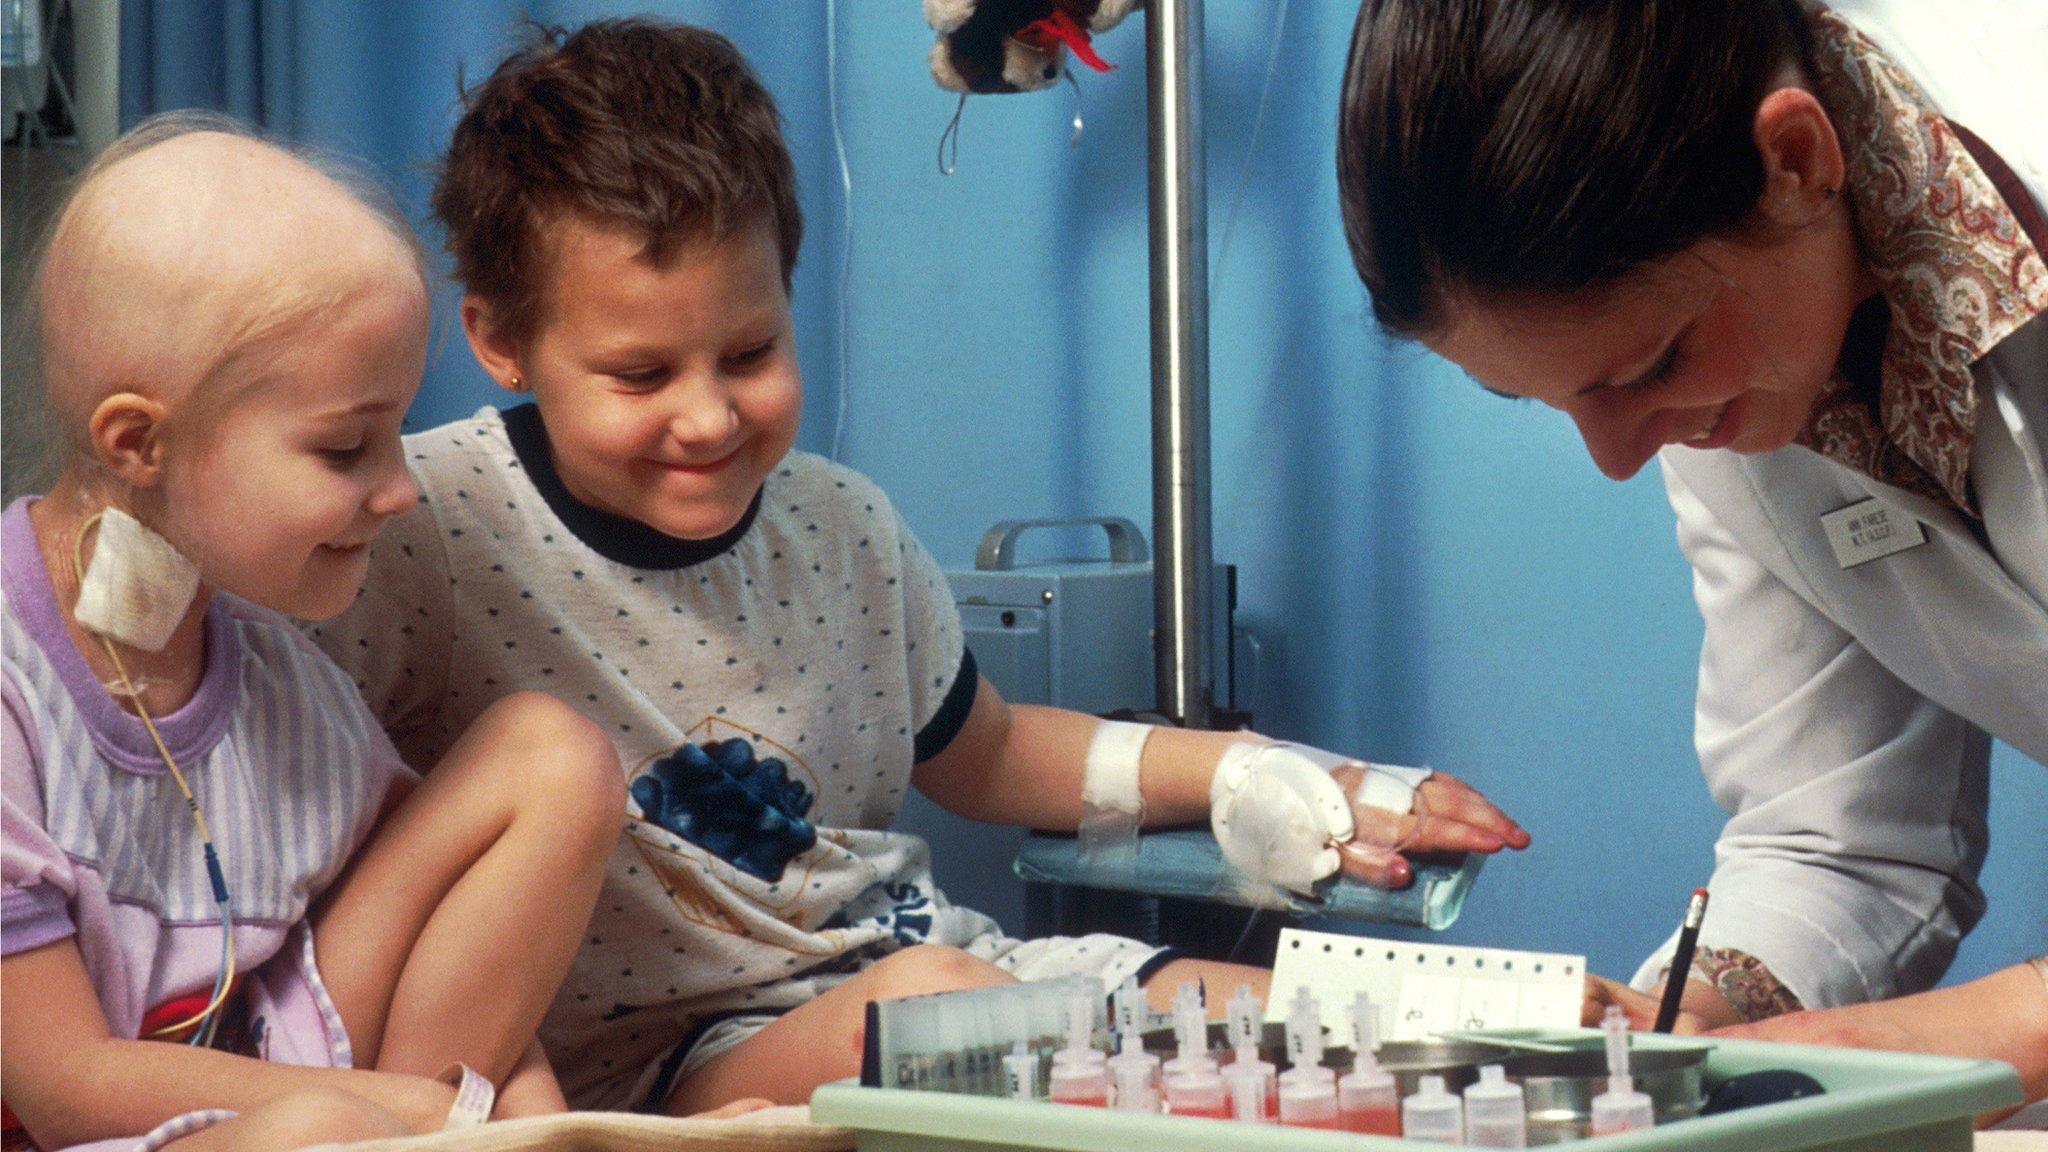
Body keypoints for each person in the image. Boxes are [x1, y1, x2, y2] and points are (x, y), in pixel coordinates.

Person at [308, 18, 1531, 1117]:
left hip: (933, 969)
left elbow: (988, 754)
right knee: (955, 1009)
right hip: (674, 1056)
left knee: (1366, 1010)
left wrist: (1267, 775)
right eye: (641, 376)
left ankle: (1658, 1021)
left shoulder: (842, 528)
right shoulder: (426, 528)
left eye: (750, 351)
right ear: (501, 340)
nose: (708, 417)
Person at [1335, 0, 2047, 1109]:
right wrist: (1690, 1015)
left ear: (1794, 160)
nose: (1617, 456)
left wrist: (1898, 1052)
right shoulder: (1739, 358)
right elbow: (1839, 838)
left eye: (1648, 364)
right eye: (1546, 398)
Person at [0, 115, 632, 1149]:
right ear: (138, 441)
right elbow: (62, 1087)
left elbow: (459, 957)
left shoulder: (280, 678)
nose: (400, 491)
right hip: (98, 1132)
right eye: (346, 449)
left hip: (320, 1097)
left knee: (551, 757)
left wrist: (540, 1131)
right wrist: (422, 1115)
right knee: (311, 1134)